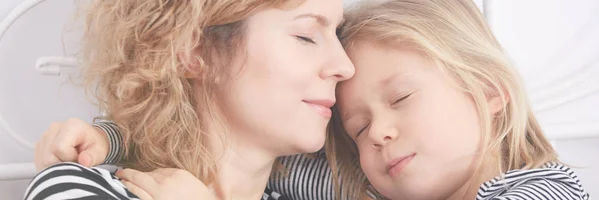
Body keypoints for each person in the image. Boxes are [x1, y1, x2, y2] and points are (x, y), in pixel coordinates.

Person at [24, 0, 356, 199]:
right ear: (194, 52)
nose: (345, 66)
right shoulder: (75, 188)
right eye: (306, 36)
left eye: (338, 36)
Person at [329, 0, 590, 199]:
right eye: (359, 129)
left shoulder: (547, 190)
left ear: (488, 90)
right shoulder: (367, 188)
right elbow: (288, 169)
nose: (376, 132)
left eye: (401, 98)